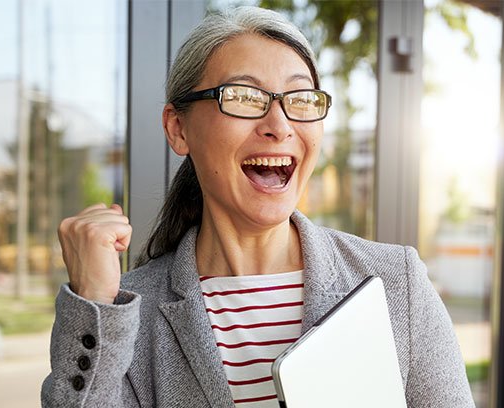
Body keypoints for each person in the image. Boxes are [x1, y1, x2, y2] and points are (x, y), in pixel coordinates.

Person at [42, 6, 474, 408]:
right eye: (244, 97)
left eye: (301, 99)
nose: (279, 126)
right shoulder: (124, 318)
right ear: (179, 129)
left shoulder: (396, 283)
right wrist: (94, 301)